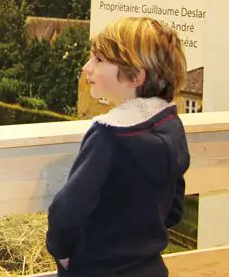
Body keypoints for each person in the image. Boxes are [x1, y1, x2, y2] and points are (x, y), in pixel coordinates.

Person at [46, 16, 191, 276]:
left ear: (135, 75)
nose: (86, 67)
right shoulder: (170, 124)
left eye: (99, 60)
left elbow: (66, 212)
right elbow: (174, 209)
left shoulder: (108, 135)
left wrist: (63, 253)